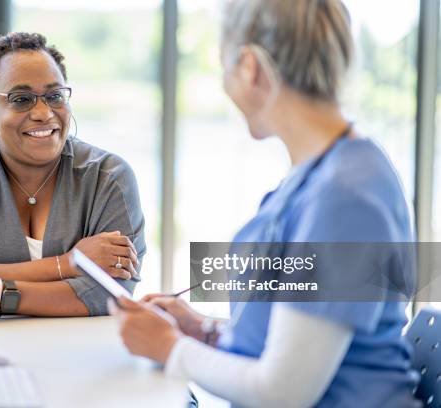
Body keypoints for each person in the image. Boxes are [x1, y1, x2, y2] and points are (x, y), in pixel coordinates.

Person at [111, 0, 420, 407]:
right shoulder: (324, 173)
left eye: (224, 65)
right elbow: (294, 340)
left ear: (250, 67)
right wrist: (203, 330)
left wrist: (170, 348)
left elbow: (282, 393)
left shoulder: (344, 199)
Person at [0, 32, 146, 323]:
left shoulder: (108, 177)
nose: (44, 113)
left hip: (80, 356)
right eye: (21, 99)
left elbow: (110, 292)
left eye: (55, 96)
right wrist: (67, 265)